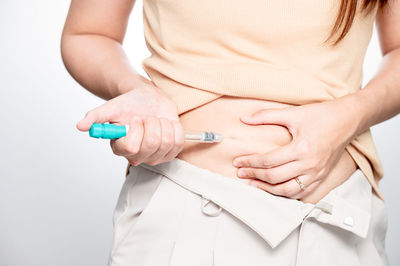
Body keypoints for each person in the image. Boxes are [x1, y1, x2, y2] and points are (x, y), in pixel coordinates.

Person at [61, 0, 398, 265]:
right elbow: (88, 33)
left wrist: (350, 115)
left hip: (338, 220)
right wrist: (135, 89)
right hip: (189, 211)